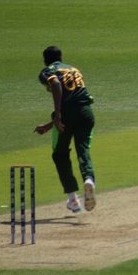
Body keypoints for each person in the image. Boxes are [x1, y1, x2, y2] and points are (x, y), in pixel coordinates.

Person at [34, 46, 97, 213]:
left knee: (60, 154)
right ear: (61, 58)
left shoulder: (46, 71)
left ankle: (73, 199)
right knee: (83, 151)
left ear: (45, 60)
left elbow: (55, 83)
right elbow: (75, 99)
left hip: (66, 114)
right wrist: (49, 126)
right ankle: (89, 180)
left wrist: (57, 115)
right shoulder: (73, 69)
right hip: (86, 113)